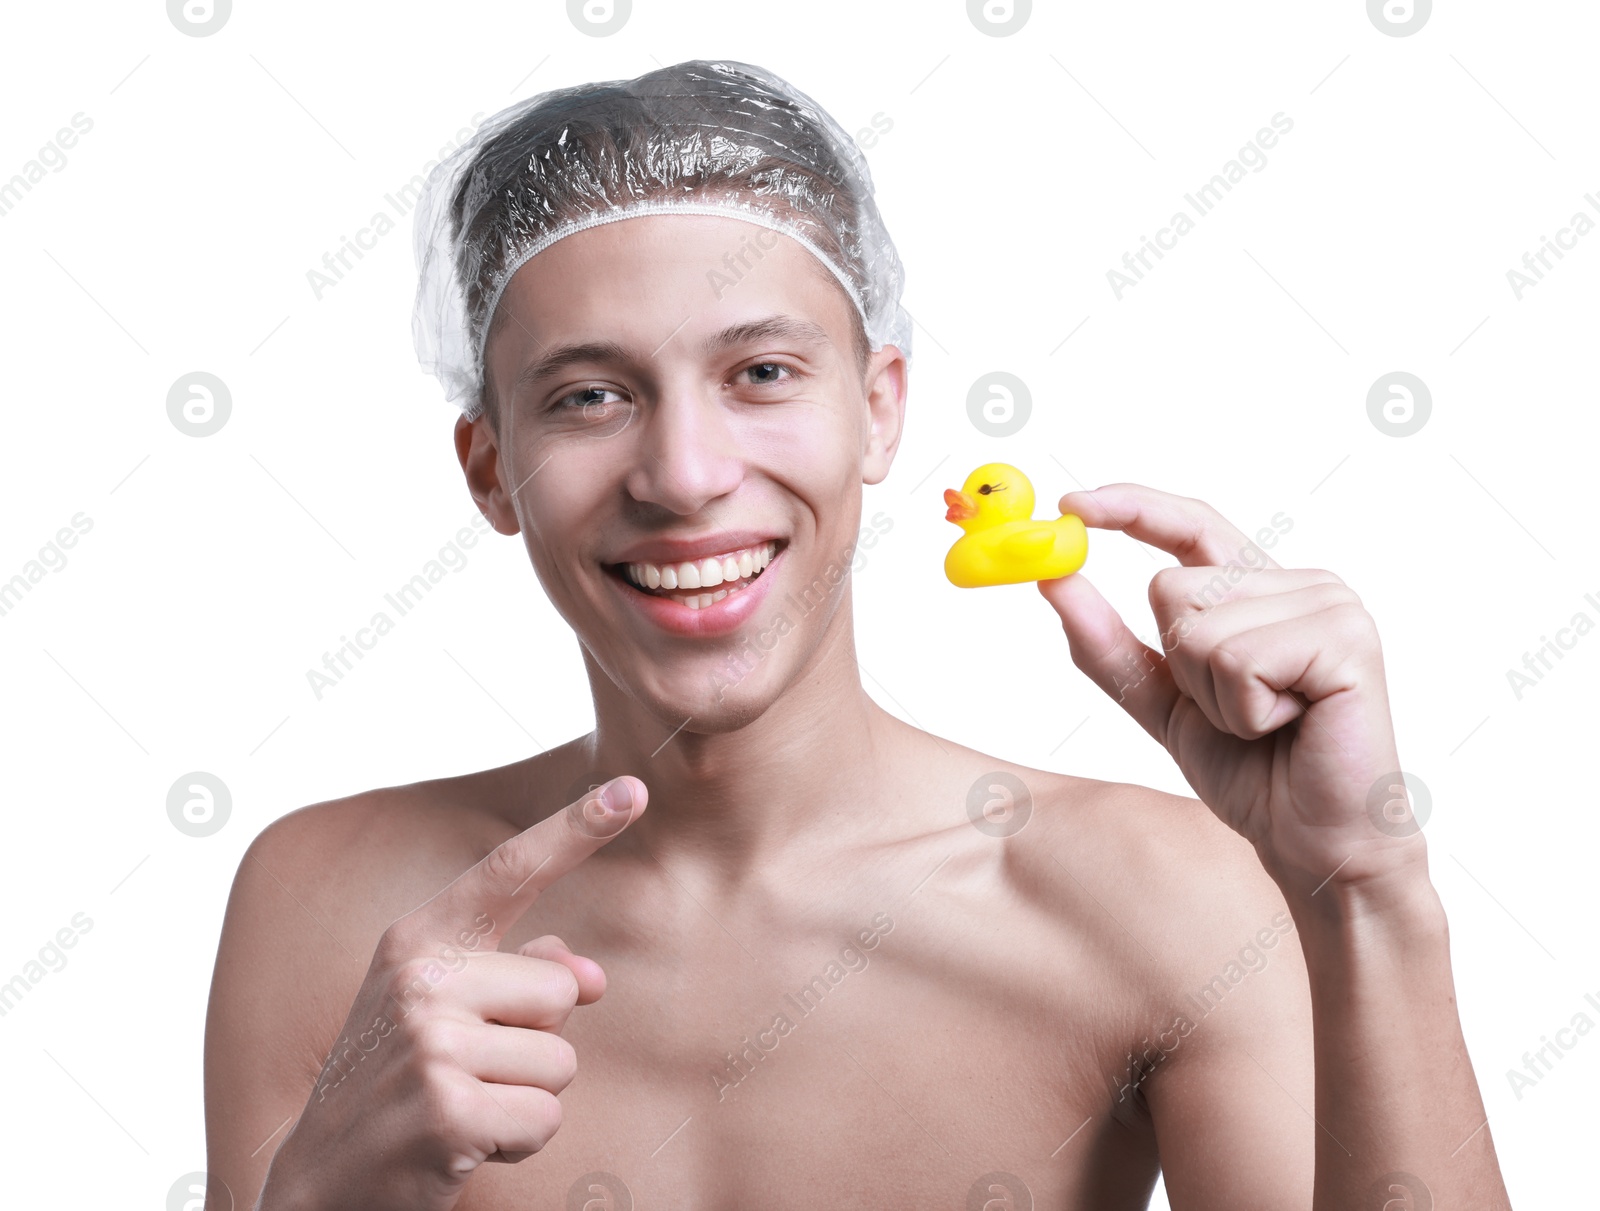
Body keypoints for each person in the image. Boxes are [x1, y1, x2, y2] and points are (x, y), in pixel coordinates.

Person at [204, 59, 1512, 1210]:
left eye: (760, 373)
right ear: (491, 469)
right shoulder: (334, 905)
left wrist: (1367, 895)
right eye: (590, 395)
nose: (686, 472)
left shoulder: (1157, 897)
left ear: (880, 411)